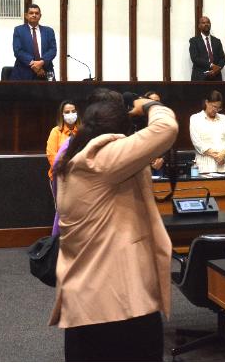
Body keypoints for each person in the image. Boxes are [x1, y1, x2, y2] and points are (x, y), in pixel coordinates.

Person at [49, 91, 177, 361]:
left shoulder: (72, 160)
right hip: (120, 304)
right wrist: (148, 105)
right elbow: (167, 127)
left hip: (83, 304)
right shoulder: (103, 160)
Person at [189, 90, 225, 173]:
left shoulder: (224, 118)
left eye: (218, 108)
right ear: (206, 102)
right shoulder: (195, 119)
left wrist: (224, 154)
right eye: (214, 106)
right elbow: (197, 143)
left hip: (224, 164)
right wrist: (217, 156)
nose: (215, 110)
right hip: (205, 165)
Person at [11, 3, 57, 81]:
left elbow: (53, 50)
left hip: (45, 72)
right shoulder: (19, 30)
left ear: (40, 16)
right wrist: (35, 66)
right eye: (31, 13)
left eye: (36, 13)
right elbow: (18, 51)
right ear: (26, 15)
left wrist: (41, 62)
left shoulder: (49, 31)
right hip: (24, 73)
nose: (34, 15)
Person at [46, 100, 78, 180]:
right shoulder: (56, 131)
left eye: (73, 111)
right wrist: (63, 170)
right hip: (59, 175)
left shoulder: (82, 131)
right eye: (67, 112)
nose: (71, 114)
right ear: (62, 115)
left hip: (78, 176)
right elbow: (51, 155)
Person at [188, 16, 225, 81]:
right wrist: (211, 65)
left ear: (210, 24)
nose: (206, 24)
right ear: (199, 26)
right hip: (200, 78)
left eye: (208, 22)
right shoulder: (194, 41)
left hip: (216, 77)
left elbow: (222, 58)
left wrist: (217, 69)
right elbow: (195, 58)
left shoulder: (217, 41)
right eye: (203, 23)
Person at [143, 91, 166, 176]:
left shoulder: (165, 119)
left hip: (159, 164)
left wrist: (163, 159)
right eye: (153, 101)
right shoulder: (138, 119)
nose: (156, 104)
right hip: (141, 164)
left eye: (158, 101)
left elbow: (170, 143)